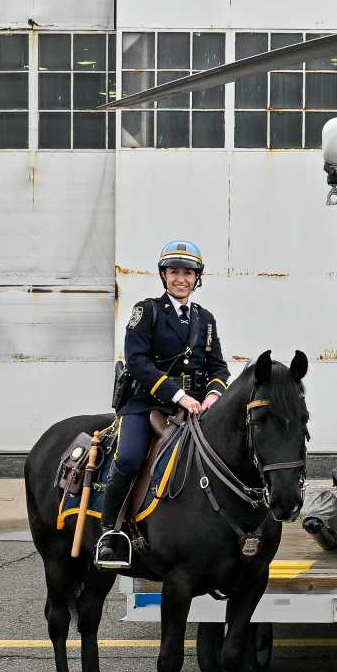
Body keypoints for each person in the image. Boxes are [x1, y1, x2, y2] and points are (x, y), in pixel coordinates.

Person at [94, 240, 229, 570]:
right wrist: (177, 395)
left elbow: (219, 368)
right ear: (164, 276)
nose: (180, 279)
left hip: (193, 410)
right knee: (127, 459)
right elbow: (137, 362)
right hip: (146, 405)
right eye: (174, 272)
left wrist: (212, 396)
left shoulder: (205, 319)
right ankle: (110, 534)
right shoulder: (147, 311)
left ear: (197, 278)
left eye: (188, 273)